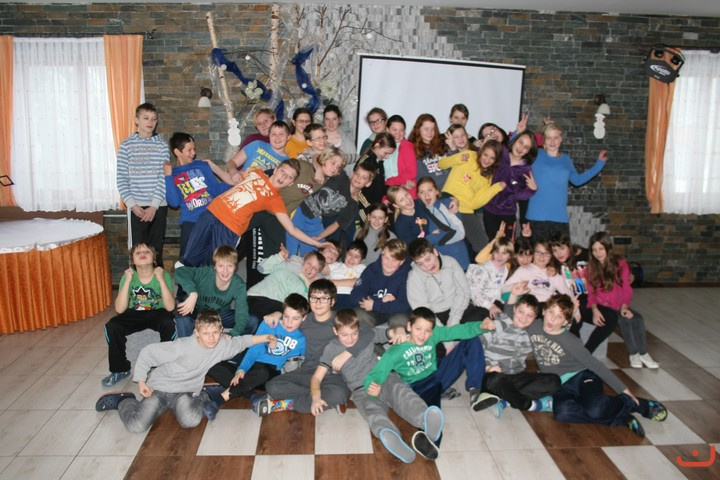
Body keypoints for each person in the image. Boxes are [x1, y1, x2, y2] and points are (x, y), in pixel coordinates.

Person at [95, 310, 277, 432]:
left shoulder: (221, 345)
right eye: (206, 333)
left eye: (215, 333)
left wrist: (266, 337)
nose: (211, 338)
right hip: (160, 389)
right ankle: (124, 401)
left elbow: (242, 341)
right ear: (196, 332)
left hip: (186, 391)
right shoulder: (181, 347)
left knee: (191, 421)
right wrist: (141, 381)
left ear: (221, 331)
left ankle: (204, 395)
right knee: (137, 426)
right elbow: (148, 353)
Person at [310, 309, 444, 463]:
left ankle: (425, 419)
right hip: (361, 389)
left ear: (358, 329)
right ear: (335, 331)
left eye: (354, 333)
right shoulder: (331, 349)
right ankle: (390, 435)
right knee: (372, 411)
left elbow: (390, 333)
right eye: (344, 335)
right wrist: (316, 398)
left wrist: (399, 330)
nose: (351, 339)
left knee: (401, 392)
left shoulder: (366, 336)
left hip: (383, 377)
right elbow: (317, 377)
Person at [527, 294, 668, 437]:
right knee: (563, 413)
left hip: (582, 377)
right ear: (544, 311)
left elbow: (595, 365)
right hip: (560, 385)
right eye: (551, 312)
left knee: (595, 409)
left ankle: (637, 405)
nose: (552, 319)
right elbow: (516, 316)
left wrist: (624, 390)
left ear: (565, 322)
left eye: (559, 317)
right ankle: (620, 418)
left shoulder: (570, 341)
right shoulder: (533, 326)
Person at [257, 279, 374, 415]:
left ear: (332, 301)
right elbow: (287, 319)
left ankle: (291, 404)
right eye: (314, 298)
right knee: (272, 387)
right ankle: (322, 399)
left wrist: (347, 353)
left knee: (339, 393)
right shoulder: (303, 320)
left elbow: (368, 333)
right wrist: (277, 314)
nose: (318, 303)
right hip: (307, 371)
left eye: (324, 298)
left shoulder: (340, 320)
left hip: (333, 374)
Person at [182, 159, 329, 267]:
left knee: (212, 265)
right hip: (211, 213)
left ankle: (202, 299)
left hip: (229, 228)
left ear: (290, 183)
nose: (283, 177)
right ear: (276, 169)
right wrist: (211, 165)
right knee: (189, 257)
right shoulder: (255, 172)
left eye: (289, 177)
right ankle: (184, 297)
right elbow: (231, 180)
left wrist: (317, 243)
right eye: (283, 171)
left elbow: (292, 229)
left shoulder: (275, 200)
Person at [364, 306, 491, 409]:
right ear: (409, 327)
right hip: (417, 386)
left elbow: (457, 331)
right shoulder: (396, 351)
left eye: (427, 330)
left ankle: (475, 390)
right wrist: (373, 390)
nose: (422, 335)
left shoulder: (434, 333)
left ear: (432, 330)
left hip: (437, 374)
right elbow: (377, 373)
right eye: (418, 329)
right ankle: (429, 419)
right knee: (429, 414)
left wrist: (480, 326)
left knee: (472, 340)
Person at [474, 288, 561, 416]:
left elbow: (555, 330)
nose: (524, 318)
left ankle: (506, 399)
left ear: (535, 318)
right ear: (514, 309)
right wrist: (488, 367)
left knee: (554, 381)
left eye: (530, 315)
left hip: (515, 377)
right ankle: (529, 405)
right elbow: (475, 349)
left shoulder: (530, 334)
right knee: (494, 380)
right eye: (521, 312)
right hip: (492, 375)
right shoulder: (497, 325)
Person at [208, 294, 308, 402]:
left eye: (295, 318)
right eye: (286, 316)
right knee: (211, 364)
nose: (289, 322)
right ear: (282, 313)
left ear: (304, 318)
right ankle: (251, 395)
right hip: (252, 368)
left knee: (262, 372)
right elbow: (254, 350)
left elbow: (300, 366)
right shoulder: (269, 324)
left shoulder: (302, 339)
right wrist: (241, 369)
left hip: (269, 374)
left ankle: (222, 397)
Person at [102, 243, 176, 387]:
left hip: (158, 311)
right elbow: (119, 309)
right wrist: (127, 280)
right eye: (138, 253)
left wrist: (161, 279)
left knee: (169, 324)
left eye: (147, 252)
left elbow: (170, 307)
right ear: (133, 261)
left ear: (154, 259)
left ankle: (165, 367)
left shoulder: (163, 274)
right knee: (112, 326)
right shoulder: (128, 277)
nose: (142, 254)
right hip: (134, 312)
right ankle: (120, 370)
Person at [525, 123, 608, 242]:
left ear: (561, 139)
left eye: (556, 137)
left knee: (562, 253)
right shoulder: (536, 155)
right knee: (537, 254)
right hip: (537, 216)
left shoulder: (565, 159)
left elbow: (577, 181)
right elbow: (516, 150)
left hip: (559, 217)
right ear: (544, 140)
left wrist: (598, 165)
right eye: (549, 138)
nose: (552, 141)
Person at [587, 232, 658, 368]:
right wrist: (595, 309)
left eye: (601, 249)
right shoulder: (591, 267)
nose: (598, 253)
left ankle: (643, 354)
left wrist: (625, 306)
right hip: (602, 306)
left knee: (637, 319)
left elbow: (626, 287)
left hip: (618, 305)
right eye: (594, 250)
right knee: (624, 320)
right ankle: (633, 353)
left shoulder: (620, 263)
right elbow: (591, 293)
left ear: (608, 247)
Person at [285, 151, 373, 256]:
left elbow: (336, 224)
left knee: (313, 254)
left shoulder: (353, 205)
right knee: (290, 250)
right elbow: (317, 156)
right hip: (301, 209)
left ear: (368, 183)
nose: (358, 178)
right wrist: (318, 169)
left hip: (315, 220)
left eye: (364, 178)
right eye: (357, 174)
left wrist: (319, 237)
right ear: (353, 174)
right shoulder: (341, 177)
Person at [116, 102, 169, 266]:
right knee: (138, 252)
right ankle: (137, 283)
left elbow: (164, 178)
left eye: (154, 119)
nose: (150, 122)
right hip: (136, 207)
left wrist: (154, 206)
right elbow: (121, 178)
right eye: (146, 118)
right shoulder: (126, 145)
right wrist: (132, 205)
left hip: (158, 206)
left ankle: (157, 282)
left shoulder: (162, 146)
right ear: (136, 120)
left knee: (156, 251)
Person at [163, 132, 231, 258]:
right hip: (191, 222)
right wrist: (168, 176)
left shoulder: (201, 166)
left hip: (211, 218)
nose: (193, 153)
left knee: (214, 258)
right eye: (189, 150)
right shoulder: (173, 174)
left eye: (194, 149)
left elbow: (216, 189)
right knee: (186, 260)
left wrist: (238, 183)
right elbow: (174, 202)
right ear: (177, 152)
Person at [551, 232, 618, 353]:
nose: (559, 253)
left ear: (569, 246)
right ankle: (578, 353)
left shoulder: (585, 254)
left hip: (592, 300)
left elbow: (607, 259)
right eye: (555, 250)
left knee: (611, 318)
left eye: (562, 248)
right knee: (575, 319)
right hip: (571, 302)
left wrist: (628, 273)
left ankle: (587, 352)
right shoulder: (553, 264)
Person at [439, 138, 505, 254]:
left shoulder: (488, 176)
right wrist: (458, 158)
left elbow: (475, 204)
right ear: (481, 151)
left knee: (482, 245)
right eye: (486, 155)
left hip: (466, 209)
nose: (487, 160)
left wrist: (495, 188)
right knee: (455, 243)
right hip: (448, 200)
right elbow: (441, 164)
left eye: (492, 158)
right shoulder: (469, 155)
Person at [173, 245, 250, 338]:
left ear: (235, 267)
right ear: (214, 266)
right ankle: (187, 345)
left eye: (230, 266)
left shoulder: (239, 285)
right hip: (195, 310)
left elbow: (242, 312)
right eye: (221, 266)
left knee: (252, 321)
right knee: (183, 320)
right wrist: (192, 293)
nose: (225, 271)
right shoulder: (206, 273)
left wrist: (233, 334)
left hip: (219, 314)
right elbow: (180, 272)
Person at [244, 249, 325, 326]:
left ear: (317, 273)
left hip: (279, 308)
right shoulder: (287, 265)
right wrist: (279, 257)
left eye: (315, 268)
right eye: (309, 263)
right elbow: (262, 268)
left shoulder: (306, 289)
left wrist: (307, 282)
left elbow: (304, 307)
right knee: (253, 320)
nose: (310, 269)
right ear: (303, 261)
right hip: (258, 296)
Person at [483, 130, 538, 240]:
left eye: (526, 147)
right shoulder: (501, 153)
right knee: (490, 244)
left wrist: (531, 190)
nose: (521, 148)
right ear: (515, 140)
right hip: (488, 209)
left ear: (529, 151)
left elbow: (520, 195)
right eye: (520, 142)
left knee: (506, 245)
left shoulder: (526, 170)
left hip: (507, 213)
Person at [350, 238, 412, 328]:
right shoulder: (371, 269)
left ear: (402, 261)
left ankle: (397, 335)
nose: (389, 263)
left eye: (395, 260)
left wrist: (376, 304)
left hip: (396, 312)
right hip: (373, 310)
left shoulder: (407, 274)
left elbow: (404, 305)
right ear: (381, 254)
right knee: (358, 314)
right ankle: (366, 335)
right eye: (386, 258)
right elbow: (355, 295)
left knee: (400, 320)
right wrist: (380, 301)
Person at [414, 177, 469, 269]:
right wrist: (429, 240)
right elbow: (420, 243)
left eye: (430, 190)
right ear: (418, 195)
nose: (426, 195)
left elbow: (460, 233)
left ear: (436, 191)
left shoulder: (448, 204)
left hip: (459, 257)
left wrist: (431, 239)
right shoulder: (420, 214)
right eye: (422, 192)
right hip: (439, 263)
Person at [466, 237, 514, 320]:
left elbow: (498, 288)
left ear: (510, 255)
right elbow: (475, 294)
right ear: (493, 252)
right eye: (497, 252)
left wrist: (514, 287)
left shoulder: (505, 268)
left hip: (493, 301)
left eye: (504, 253)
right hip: (476, 304)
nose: (499, 256)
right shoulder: (483, 270)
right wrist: (491, 306)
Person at [225, 121, 290, 181]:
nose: (277, 137)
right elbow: (232, 162)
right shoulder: (257, 144)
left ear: (288, 136)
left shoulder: (286, 163)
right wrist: (234, 172)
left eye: (281, 134)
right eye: (273, 134)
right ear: (269, 135)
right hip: (238, 182)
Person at [408, 113, 449, 189]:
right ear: (418, 129)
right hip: (431, 190)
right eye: (426, 129)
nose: (430, 133)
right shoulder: (412, 149)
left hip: (451, 188)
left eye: (432, 129)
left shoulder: (443, 144)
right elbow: (421, 177)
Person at [384, 114, 418, 197]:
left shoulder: (407, 146)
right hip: (387, 192)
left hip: (404, 193)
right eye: (394, 130)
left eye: (401, 130)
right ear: (387, 130)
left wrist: (389, 182)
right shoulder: (382, 146)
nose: (398, 134)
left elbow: (411, 173)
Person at [328, 240, 368, 309]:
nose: (351, 259)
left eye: (356, 257)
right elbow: (322, 269)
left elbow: (357, 282)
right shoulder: (335, 265)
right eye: (350, 254)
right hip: (332, 295)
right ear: (346, 253)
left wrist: (330, 282)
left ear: (362, 260)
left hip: (349, 296)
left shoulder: (361, 268)